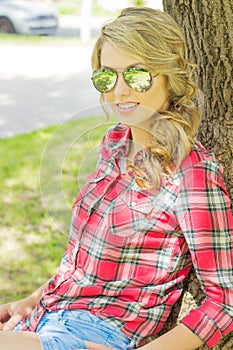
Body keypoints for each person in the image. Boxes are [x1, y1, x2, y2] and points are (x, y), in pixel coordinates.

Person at [0, 6, 232, 350]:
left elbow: (225, 301)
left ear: (170, 76)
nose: (119, 91)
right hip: (48, 317)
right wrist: (32, 301)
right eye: (107, 76)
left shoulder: (193, 174)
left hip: (92, 336)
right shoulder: (115, 143)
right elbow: (84, 257)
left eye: (138, 74)